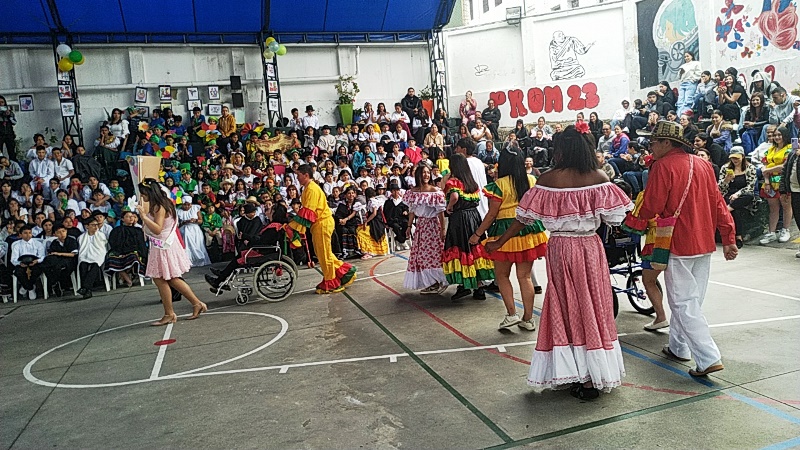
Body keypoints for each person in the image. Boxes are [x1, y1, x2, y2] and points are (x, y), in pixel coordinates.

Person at [488, 124, 632, 399]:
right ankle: (592, 374)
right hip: (590, 247)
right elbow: (617, 218)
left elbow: (523, 219)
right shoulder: (598, 177)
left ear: (564, 148)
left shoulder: (548, 179)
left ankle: (574, 370)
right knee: (592, 305)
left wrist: (500, 241)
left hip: (561, 248)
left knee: (566, 307)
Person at [638, 121, 737, 377]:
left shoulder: (662, 166)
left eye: (653, 142)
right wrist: (728, 236)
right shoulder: (703, 164)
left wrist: (631, 222)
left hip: (677, 242)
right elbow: (718, 203)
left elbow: (651, 206)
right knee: (693, 300)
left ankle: (708, 357)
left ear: (666, 143)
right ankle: (678, 346)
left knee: (683, 302)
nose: (651, 146)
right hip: (704, 242)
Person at [472, 147, 548, 331]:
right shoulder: (531, 180)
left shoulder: (499, 184)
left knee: (502, 275)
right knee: (525, 276)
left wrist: (477, 234)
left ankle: (511, 314)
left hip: (503, 233)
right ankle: (528, 319)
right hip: (528, 231)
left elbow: (491, 214)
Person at [136, 179, 207, 325]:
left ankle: (173, 312)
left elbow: (157, 228)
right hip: (162, 245)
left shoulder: (159, 206)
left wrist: (143, 217)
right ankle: (192, 305)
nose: (142, 197)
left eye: (143, 194)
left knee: (165, 278)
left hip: (164, 245)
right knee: (167, 278)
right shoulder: (163, 203)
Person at [289, 165, 356, 293]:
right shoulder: (307, 188)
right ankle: (345, 271)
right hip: (319, 224)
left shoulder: (312, 189)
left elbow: (308, 212)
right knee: (323, 254)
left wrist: (293, 227)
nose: (297, 178)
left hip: (322, 223)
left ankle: (332, 282)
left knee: (324, 254)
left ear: (306, 175)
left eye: (298, 175)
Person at [442, 153, 494, 302]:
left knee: (461, 249)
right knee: (474, 249)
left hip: (460, 219)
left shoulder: (453, 182)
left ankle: (464, 285)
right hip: (474, 217)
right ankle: (479, 288)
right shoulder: (471, 182)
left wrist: (449, 206)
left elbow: (454, 197)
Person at [402, 164, 448, 293]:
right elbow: (412, 210)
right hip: (421, 227)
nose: (426, 175)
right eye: (423, 173)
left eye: (428, 172)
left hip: (433, 226)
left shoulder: (435, 192)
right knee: (421, 256)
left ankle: (440, 280)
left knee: (434, 255)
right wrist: (409, 225)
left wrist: (442, 229)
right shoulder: (412, 192)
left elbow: (440, 212)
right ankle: (431, 282)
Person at [758, 126, 793, 244]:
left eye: (779, 135)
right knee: (773, 208)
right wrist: (767, 180)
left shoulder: (790, 149)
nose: (777, 137)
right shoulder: (770, 150)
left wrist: (768, 169)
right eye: (775, 135)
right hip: (770, 183)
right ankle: (772, 232)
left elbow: (785, 165)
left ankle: (785, 229)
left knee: (786, 206)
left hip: (783, 182)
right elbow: (763, 165)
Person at [719, 146, 757, 249]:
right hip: (728, 193)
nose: (735, 160)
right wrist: (726, 180)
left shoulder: (750, 168)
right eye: (733, 158)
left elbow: (750, 186)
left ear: (743, 157)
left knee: (747, 197)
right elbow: (720, 188)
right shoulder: (725, 168)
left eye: (737, 158)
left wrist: (738, 194)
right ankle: (738, 237)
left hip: (742, 195)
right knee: (735, 210)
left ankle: (728, 209)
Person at [105, 210, 148, 287]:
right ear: (122, 219)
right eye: (128, 217)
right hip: (119, 251)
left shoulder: (138, 230)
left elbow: (141, 244)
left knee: (134, 258)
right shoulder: (117, 230)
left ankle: (123, 276)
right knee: (111, 260)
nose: (131, 218)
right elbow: (114, 242)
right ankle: (126, 278)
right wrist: (122, 250)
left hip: (134, 252)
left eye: (132, 216)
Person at [10, 224, 46, 300]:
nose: (28, 235)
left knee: (37, 270)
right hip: (22, 263)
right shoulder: (17, 245)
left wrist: (37, 261)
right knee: (18, 272)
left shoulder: (38, 244)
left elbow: (42, 256)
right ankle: (30, 288)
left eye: (30, 232)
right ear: (20, 235)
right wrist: (19, 263)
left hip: (34, 262)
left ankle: (26, 286)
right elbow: (13, 259)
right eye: (25, 233)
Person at [41, 224, 78, 297]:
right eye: (59, 232)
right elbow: (52, 253)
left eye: (63, 231)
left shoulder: (71, 240)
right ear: (55, 234)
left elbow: (73, 254)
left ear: (66, 231)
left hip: (70, 260)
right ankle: (55, 283)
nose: (62, 234)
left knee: (57, 267)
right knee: (45, 264)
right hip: (57, 260)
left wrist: (59, 254)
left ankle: (54, 283)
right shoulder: (55, 242)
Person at [76, 218, 108, 299]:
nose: (95, 227)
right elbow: (82, 249)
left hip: (97, 255)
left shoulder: (101, 235)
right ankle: (88, 290)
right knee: (82, 265)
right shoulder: (81, 237)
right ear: (87, 226)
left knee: (95, 265)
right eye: (93, 225)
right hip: (85, 255)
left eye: (96, 225)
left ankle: (84, 287)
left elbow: (101, 248)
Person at [779, 139, 800, 258]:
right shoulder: (792, 154)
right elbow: (785, 171)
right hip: (794, 191)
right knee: (798, 219)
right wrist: (783, 190)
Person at [177, 196, 211, 267]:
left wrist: (195, 220)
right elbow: (177, 225)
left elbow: (200, 221)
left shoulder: (195, 208)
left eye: (188, 204)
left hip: (195, 230)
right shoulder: (178, 211)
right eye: (185, 204)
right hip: (184, 230)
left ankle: (199, 260)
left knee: (197, 245)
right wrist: (184, 222)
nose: (187, 206)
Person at [383, 184, 409, 250]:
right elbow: (385, 213)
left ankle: (398, 239)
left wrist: (406, 211)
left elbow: (407, 208)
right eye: (394, 190)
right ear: (391, 192)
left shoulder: (402, 201)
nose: (396, 192)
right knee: (396, 226)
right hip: (392, 220)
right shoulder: (388, 202)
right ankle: (402, 241)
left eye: (397, 190)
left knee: (406, 224)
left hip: (401, 218)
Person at [0, 96, 17, 161]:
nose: (1, 104)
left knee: (12, 152)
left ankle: (13, 167)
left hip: (9, 134)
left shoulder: (9, 112)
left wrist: (9, 115)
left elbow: (14, 122)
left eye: (2, 102)